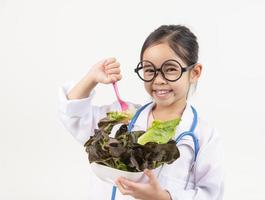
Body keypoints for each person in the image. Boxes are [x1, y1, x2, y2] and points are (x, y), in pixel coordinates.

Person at [59, 24, 224, 200]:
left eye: (170, 69)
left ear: (194, 72)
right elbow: (73, 115)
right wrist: (91, 78)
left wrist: (162, 198)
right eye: (149, 70)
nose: (159, 80)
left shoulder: (204, 136)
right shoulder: (122, 115)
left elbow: (211, 194)